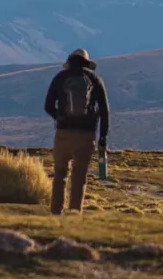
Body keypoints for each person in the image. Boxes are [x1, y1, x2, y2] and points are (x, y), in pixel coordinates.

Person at [44, 48, 110, 215]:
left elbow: (48, 106)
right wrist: (102, 137)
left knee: (60, 174)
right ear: (86, 63)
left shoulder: (60, 78)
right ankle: (74, 214)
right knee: (79, 177)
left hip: (63, 134)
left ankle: (55, 213)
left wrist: (59, 118)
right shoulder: (95, 80)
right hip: (86, 136)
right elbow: (104, 111)